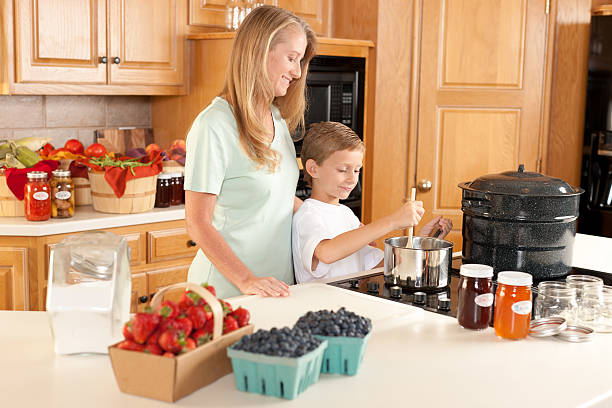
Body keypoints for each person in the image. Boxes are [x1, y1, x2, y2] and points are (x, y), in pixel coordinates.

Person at [184, 6, 317, 299]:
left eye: (300, 61)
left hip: (274, 289)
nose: (297, 72)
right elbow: (197, 222)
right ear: (259, 51)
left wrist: (336, 220)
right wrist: (246, 280)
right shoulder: (214, 125)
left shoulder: (276, 119)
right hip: (224, 292)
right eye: (292, 58)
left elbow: (278, 199)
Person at [292, 122, 453, 283]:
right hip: (320, 307)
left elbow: (379, 268)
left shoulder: (347, 215)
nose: (352, 178)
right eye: (342, 169)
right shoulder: (307, 215)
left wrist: (420, 242)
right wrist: (393, 221)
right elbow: (326, 253)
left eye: (357, 170)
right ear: (313, 169)